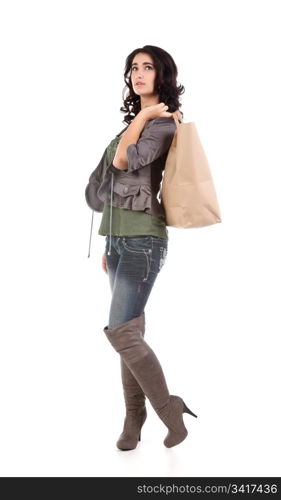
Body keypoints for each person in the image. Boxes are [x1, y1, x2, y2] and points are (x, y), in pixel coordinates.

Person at [97, 45, 197, 450]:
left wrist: (141, 116)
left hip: (143, 238)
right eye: (134, 68)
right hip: (120, 238)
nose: (139, 74)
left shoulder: (164, 123)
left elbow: (126, 162)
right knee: (129, 330)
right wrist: (109, 241)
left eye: (148, 67)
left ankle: (167, 409)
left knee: (121, 332)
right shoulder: (137, 123)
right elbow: (113, 182)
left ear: (162, 75)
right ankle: (133, 418)